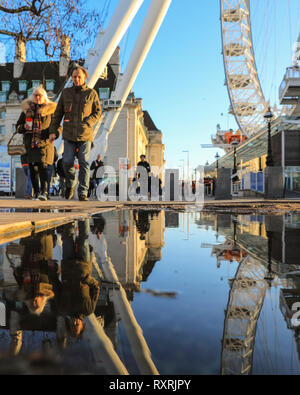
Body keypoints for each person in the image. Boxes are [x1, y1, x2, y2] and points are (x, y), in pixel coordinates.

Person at [50, 64, 102, 201]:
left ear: (85, 77)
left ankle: (83, 192)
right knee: (66, 161)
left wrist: (88, 122)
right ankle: (71, 182)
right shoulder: (66, 93)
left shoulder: (91, 94)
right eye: (74, 77)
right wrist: (53, 130)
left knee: (84, 162)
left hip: (85, 134)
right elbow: (58, 114)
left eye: (79, 76)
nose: (77, 79)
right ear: (72, 78)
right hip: (69, 134)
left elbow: (98, 112)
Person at [16, 86, 60, 201]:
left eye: (40, 95)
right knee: (32, 169)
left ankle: (44, 192)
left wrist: (54, 133)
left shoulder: (50, 110)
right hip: (30, 143)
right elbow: (18, 126)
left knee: (43, 167)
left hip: (44, 143)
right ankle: (36, 192)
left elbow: (57, 126)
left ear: (44, 97)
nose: (37, 97)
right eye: (35, 95)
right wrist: (23, 127)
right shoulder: (27, 110)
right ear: (32, 96)